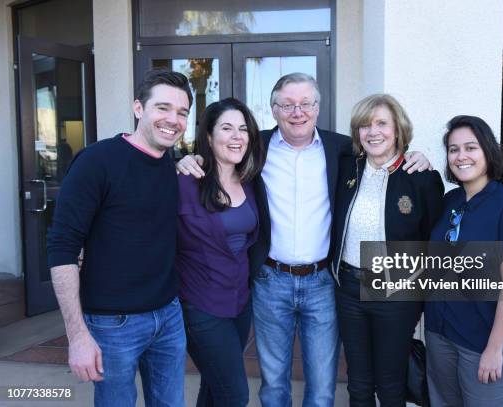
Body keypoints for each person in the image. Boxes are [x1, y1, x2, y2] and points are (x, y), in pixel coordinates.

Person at [176, 72, 432, 407]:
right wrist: (190, 159)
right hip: (270, 280)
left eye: (306, 103)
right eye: (287, 104)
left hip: (323, 282)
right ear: (274, 109)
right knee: (274, 384)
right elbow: (219, 163)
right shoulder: (255, 148)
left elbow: (383, 150)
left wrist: (416, 156)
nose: (298, 112)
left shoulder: (342, 149)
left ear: (317, 107)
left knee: (323, 385)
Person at [47, 69, 192, 407]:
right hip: (113, 324)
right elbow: (61, 247)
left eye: (182, 112)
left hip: (168, 315)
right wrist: (77, 335)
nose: (173, 120)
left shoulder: (171, 166)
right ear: (139, 108)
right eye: (163, 108)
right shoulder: (96, 162)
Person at [330, 94, 444, 406]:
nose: (373, 132)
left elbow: (432, 246)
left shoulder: (422, 179)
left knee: (391, 383)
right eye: (364, 126)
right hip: (349, 288)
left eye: (381, 123)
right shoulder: (346, 168)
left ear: (398, 130)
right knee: (358, 382)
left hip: (396, 293)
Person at [424, 115, 503, 406]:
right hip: (442, 333)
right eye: (453, 149)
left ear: (488, 151)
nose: (461, 156)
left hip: (484, 339)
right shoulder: (451, 202)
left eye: (470, 148)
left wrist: (494, 348)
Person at [176, 98, 264, 406]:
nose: (236, 136)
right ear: (209, 137)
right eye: (226, 128)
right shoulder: (185, 182)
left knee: (215, 387)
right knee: (235, 394)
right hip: (201, 305)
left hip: (239, 302)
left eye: (243, 129)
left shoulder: (251, 181)